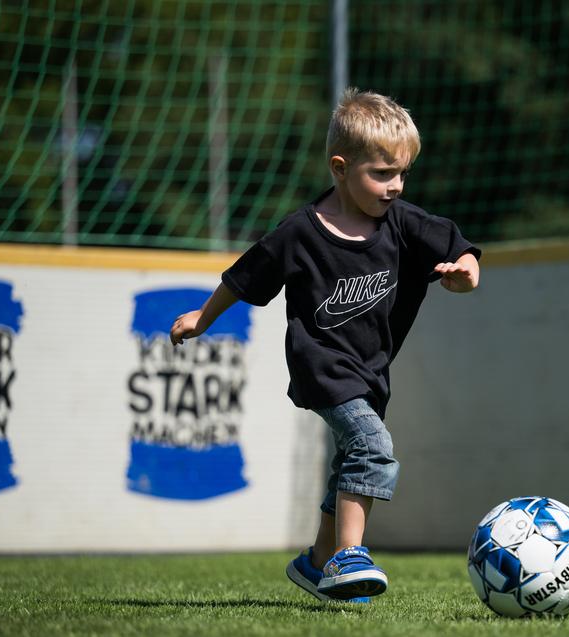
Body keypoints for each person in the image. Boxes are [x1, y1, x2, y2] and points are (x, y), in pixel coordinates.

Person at [168, 88, 481, 602]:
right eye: (381, 174)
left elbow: (459, 249)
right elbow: (246, 276)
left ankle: (315, 562)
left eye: (402, 173)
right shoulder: (300, 232)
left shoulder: (402, 223)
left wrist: (465, 273)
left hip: (371, 372)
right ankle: (346, 556)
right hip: (322, 366)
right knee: (372, 448)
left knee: (348, 466)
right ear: (340, 167)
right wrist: (204, 316)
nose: (395, 186)